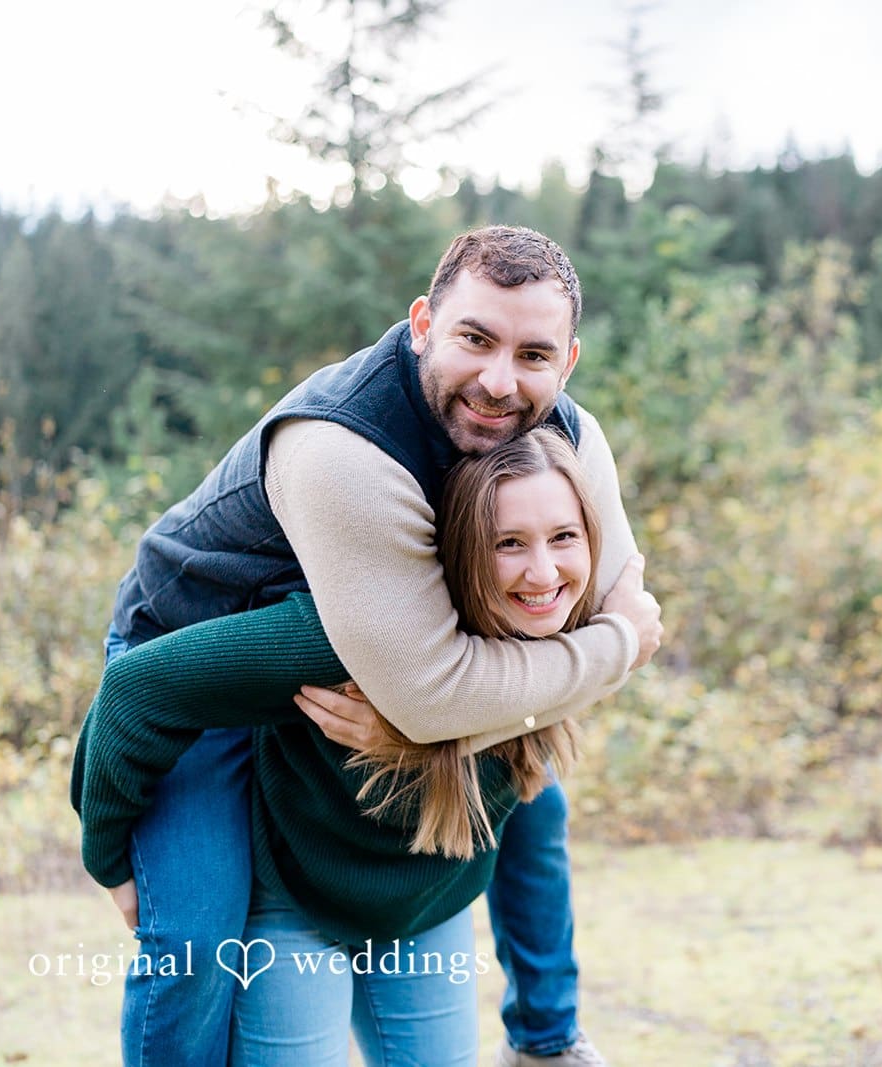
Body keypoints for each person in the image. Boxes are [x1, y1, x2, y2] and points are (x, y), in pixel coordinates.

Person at [90, 225, 660, 1066]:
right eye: (475, 338)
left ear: (567, 360)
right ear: (424, 323)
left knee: (532, 778)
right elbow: (444, 691)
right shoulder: (341, 449)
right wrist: (616, 650)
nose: (499, 381)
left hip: (350, 647)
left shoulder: (563, 435)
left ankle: (548, 1035)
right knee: (196, 936)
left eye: (533, 354)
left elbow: (616, 584)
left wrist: (607, 631)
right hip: (200, 662)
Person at [75, 429, 616, 1064]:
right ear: (466, 549)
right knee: (191, 940)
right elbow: (136, 687)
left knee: (541, 808)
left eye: (563, 537)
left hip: (424, 899)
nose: (544, 571)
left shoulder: (582, 631)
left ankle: (547, 1039)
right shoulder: (354, 638)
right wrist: (109, 860)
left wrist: (416, 737)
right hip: (298, 895)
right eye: (509, 543)